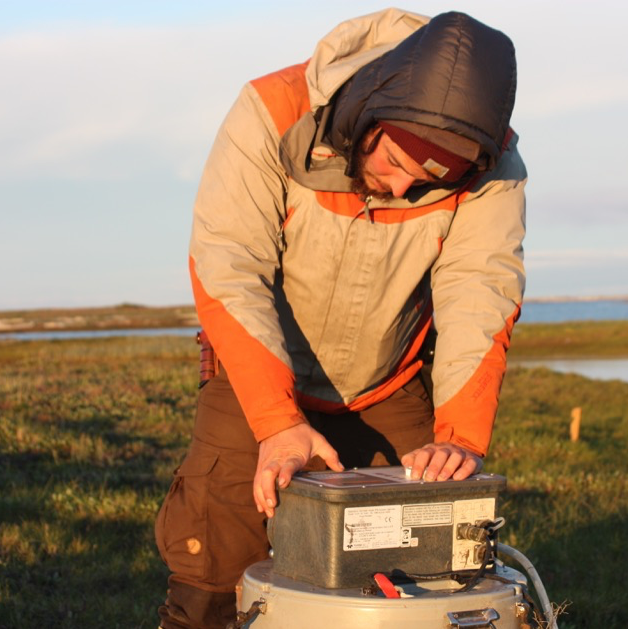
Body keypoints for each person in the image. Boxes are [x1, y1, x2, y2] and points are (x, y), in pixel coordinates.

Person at [154, 8, 526, 628]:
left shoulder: (495, 161)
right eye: (393, 162)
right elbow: (228, 264)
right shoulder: (271, 109)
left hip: (389, 383)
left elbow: (479, 290)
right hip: (257, 380)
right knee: (213, 578)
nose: (405, 188)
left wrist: (459, 437)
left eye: (431, 181)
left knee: (421, 576)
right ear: (369, 111)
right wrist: (276, 422)